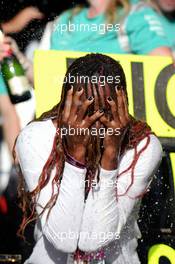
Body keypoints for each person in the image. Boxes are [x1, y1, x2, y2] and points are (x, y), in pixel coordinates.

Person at [15, 53, 162, 264]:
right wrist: (76, 156)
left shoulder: (142, 145)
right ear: (66, 105)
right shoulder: (36, 137)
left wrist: (110, 156)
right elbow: (63, 240)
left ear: (122, 106)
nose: (94, 123)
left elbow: (94, 240)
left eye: (105, 111)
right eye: (85, 112)